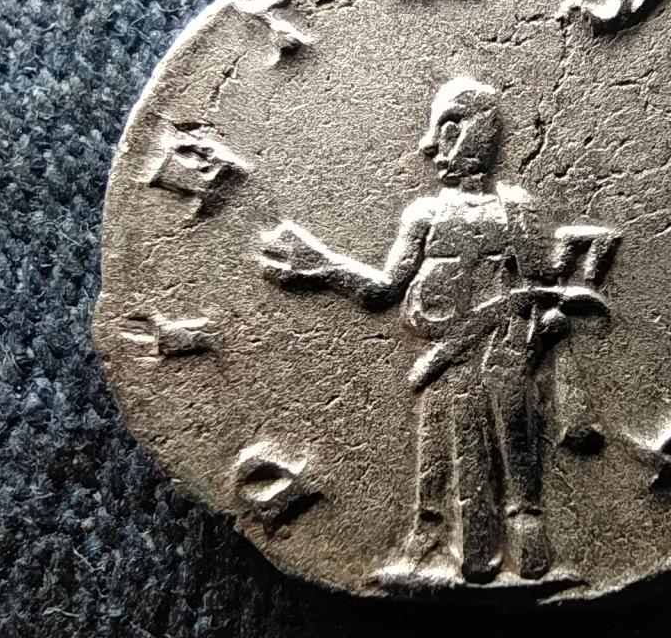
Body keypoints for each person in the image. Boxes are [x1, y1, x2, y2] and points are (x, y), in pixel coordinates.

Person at [260, 77, 617, 584]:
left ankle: (529, 549)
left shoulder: (515, 208)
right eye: (436, 133)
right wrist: (319, 266)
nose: (432, 147)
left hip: (508, 352)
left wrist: (583, 265)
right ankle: (444, 545)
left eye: (448, 130)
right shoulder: (425, 215)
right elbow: (384, 289)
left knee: (517, 449)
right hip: (448, 357)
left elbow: (544, 278)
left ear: (481, 134)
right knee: (445, 453)